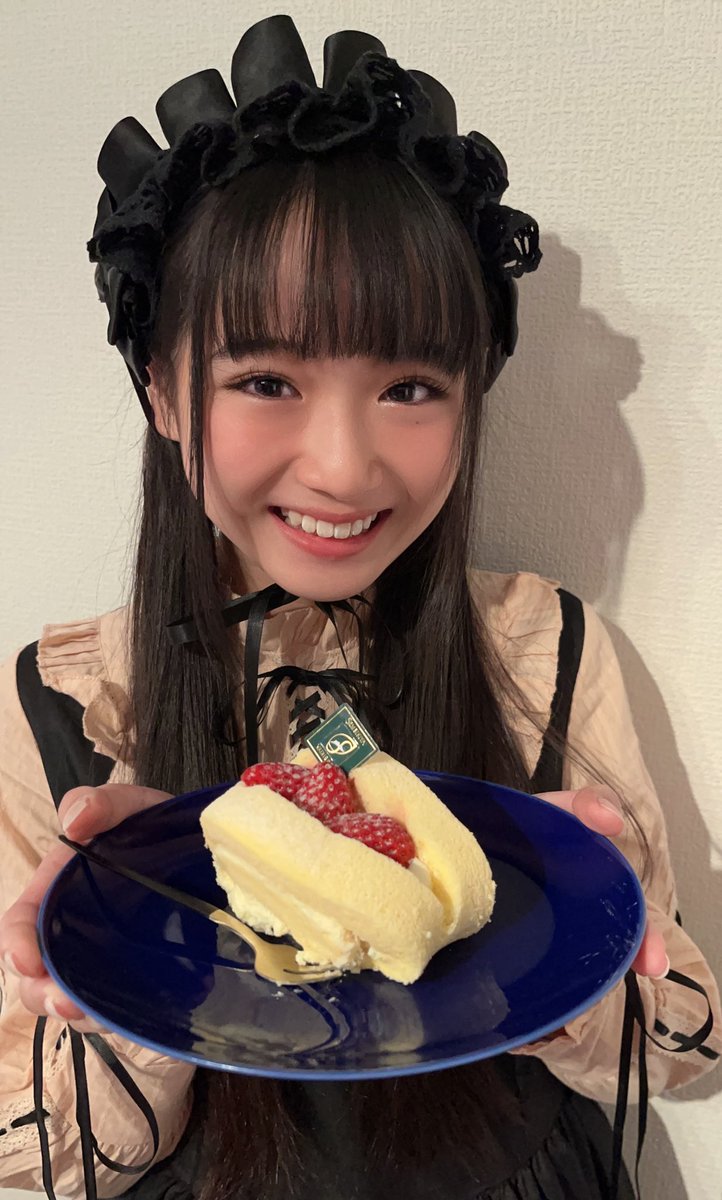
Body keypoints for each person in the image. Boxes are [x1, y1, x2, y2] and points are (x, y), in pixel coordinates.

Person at [0, 14, 719, 1200]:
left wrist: (575, 945)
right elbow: (45, 1158)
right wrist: (121, 970)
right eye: (264, 379)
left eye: (410, 387)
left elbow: (684, 1047)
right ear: (161, 389)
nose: (342, 467)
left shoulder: (538, 650)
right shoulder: (68, 702)